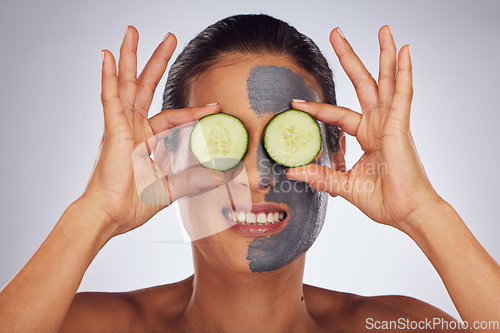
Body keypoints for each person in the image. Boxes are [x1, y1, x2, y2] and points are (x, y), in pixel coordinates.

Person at [0, 14, 499, 333]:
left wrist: (423, 212)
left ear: (336, 156)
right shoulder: (91, 327)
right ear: (169, 158)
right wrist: (96, 213)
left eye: (287, 138)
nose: (257, 176)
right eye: (221, 141)